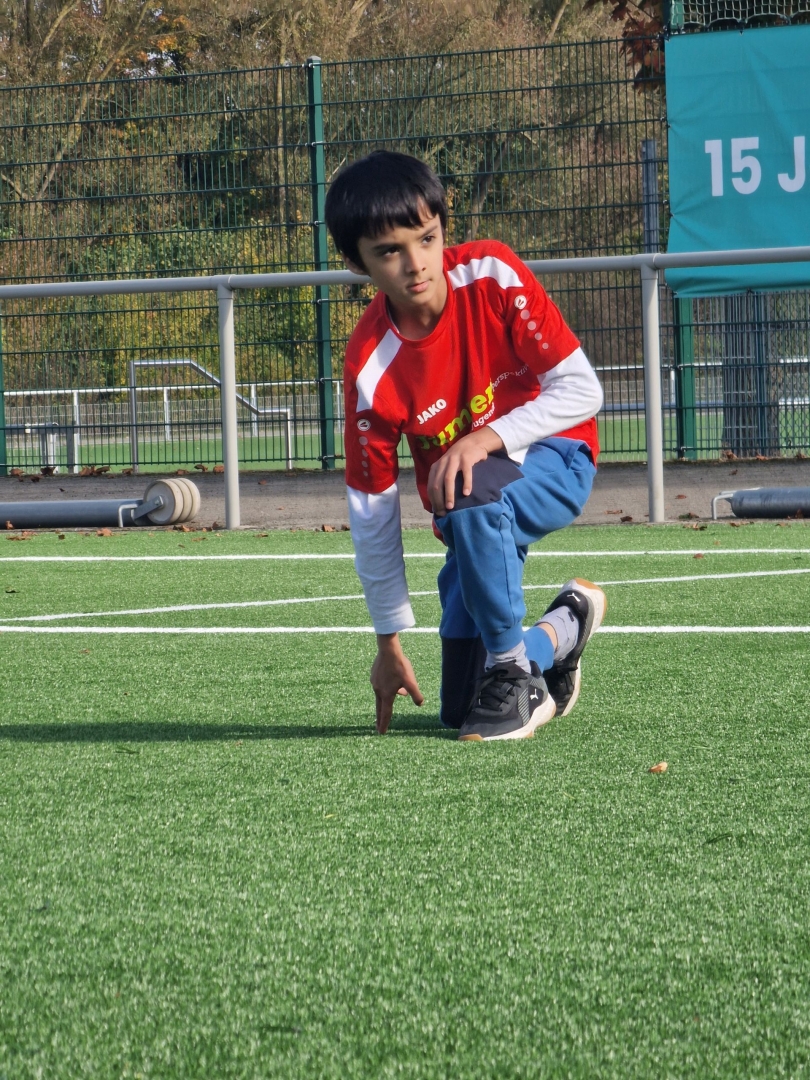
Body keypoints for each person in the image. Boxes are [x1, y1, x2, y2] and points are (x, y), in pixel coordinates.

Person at [325, 150, 606, 742]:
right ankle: (565, 627)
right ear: (356, 263)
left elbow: (583, 390)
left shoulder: (492, 273)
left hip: (557, 452)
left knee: (469, 489)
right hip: (470, 511)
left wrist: (484, 438)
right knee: (460, 710)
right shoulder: (370, 368)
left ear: (442, 228)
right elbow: (373, 510)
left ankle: (516, 675)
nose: (416, 264)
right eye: (389, 252)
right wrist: (387, 643)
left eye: (427, 238)